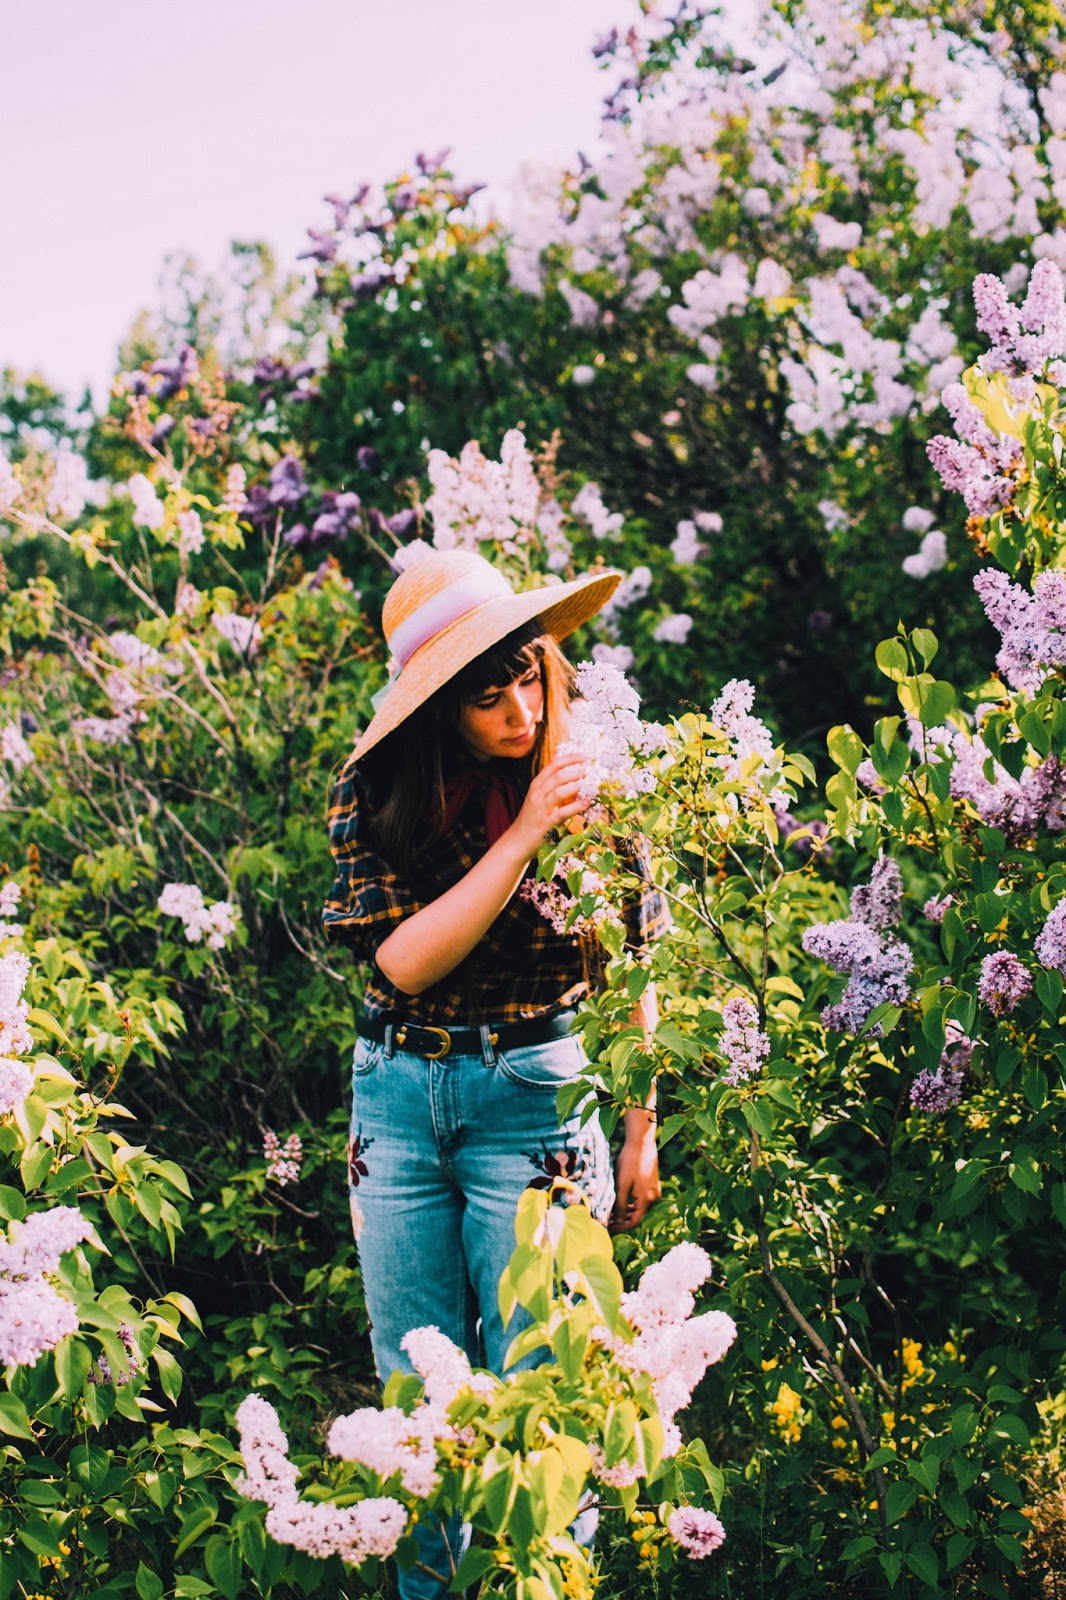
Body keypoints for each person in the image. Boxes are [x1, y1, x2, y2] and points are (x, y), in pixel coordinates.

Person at [322, 547, 667, 1598]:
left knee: (545, 1383)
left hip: (534, 1094)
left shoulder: (595, 779)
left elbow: (635, 959)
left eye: (529, 678)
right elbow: (403, 962)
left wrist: (642, 1125)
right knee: (418, 1387)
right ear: (437, 711)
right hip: (396, 1096)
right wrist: (521, 837)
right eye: (487, 698)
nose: (521, 712)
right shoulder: (377, 789)